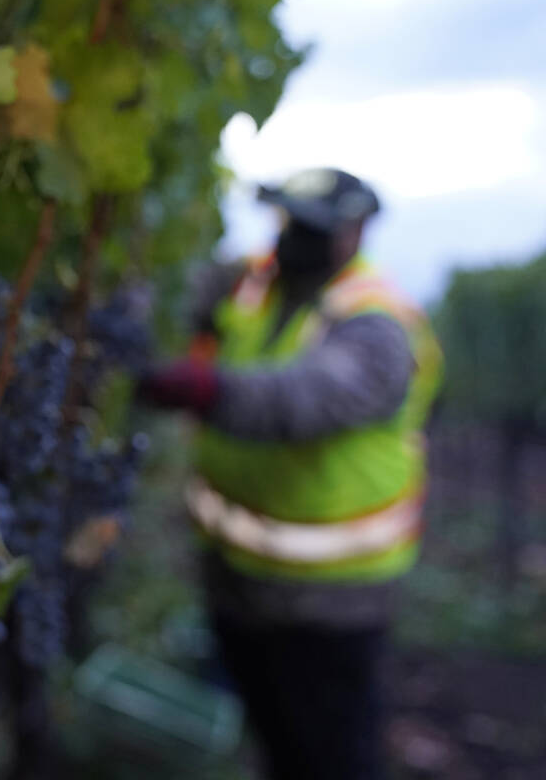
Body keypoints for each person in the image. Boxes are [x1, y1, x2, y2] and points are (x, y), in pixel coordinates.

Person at [141, 168, 443, 780]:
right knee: (276, 744)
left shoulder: (378, 324)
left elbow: (302, 399)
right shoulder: (253, 285)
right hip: (236, 578)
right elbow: (170, 293)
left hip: (330, 601)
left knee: (331, 758)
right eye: (286, 221)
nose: (289, 238)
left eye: (309, 228)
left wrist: (203, 387)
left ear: (354, 234)